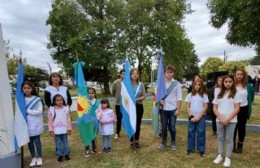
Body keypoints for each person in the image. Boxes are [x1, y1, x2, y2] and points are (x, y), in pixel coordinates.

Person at [212, 75, 241, 167]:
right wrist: (220, 119)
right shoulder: (218, 94)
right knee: (220, 138)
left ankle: (228, 157)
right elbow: (214, 108)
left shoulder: (236, 94)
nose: (228, 83)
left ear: (233, 83)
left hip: (231, 121)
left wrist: (228, 119)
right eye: (226, 82)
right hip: (219, 120)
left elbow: (237, 108)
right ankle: (220, 155)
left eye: (230, 81)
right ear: (223, 83)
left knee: (229, 139)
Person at [159, 65, 182, 151]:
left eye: (170, 72)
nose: (169, 74)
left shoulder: (177, 84)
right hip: (163, 109)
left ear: (173, 73)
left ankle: (173, 142)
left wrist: (178, 109)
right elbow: (158, 95)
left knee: (172, 127)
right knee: (164, 127)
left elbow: (179, 97)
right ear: (165, 73)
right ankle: (164, 142)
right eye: (167, 72)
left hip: (173, 109)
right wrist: (160, 99)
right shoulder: (161, 83)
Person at [22, 81, 44, 167]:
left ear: (32, 89)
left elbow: (39, 111)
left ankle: (40, 157)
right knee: (30, 142)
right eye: (24, 88)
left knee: (37, 141)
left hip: (35, 123)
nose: (26, 90)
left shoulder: (37, 99)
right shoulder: (21, 99)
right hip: (26, 123)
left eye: (28, 88)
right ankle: (33, 157)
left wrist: (27, 111)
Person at [233, 69, 254, 153]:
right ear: (235, 75)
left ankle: (240, 146)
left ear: (244, 75)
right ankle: (232, 145)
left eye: (241, 74)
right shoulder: (232, 85)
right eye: (237, 74)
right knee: (233, 127)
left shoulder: (248, 86)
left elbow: (251, 98)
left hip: (243, 109)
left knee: (241, 128)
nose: (239, 76)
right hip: (233, 109)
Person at [185, 79, 208, 156]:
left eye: (199, 85)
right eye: (196, 84)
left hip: (201, 117)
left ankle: (201, 150)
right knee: (191, 132)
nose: (197, 86)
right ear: (193, 85)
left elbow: (205, 107)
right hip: (192, 117)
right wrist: (191, 116)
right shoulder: (189, 95)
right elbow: (187, 107)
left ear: (201, 86)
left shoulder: (204, 95)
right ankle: (190, 149)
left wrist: (199, 117)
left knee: (201, 133)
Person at [48, 94, 72, 162]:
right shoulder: (52, 109)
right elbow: (50, 120)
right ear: (54, 101)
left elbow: (68, 119)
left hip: (64, 130)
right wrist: (50, 129)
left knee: (65, 142)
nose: (60, 101)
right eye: (57, 100)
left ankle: (66, 154)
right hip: (56, 130)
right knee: (58, 143)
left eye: (61, 100)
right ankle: (60, 155)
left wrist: (69, 128)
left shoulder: (66, 108)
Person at [130, 69, 146, 149]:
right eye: (133, 73)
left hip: (139, 106)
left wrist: (136, 99)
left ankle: (136, 140)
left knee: (137, 124)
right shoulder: (127, 84)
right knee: (131, 124)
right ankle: (131, 141)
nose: (135, 75)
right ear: (130, 75)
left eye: (136, 73)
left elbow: (144, 96)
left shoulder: (141, 84)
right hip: (130, 107)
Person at [84, 87, 102, 158]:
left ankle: (94, 148)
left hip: (95, 121)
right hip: (87, 122)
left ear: (94, 94)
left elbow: (100, 112)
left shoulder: (97, 102)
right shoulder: (85, 102)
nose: (90, 94)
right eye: (89, 93)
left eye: (92, 93)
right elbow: (84, 112)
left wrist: (95, 119)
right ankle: (87, 149)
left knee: (93, 135)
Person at [111, 69, 125, 139]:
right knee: (119, 118)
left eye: (125, 74)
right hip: (118, 104)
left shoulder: (128, 82)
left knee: (126, 118)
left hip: (126, 104)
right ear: (120, 74)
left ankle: (129, 132)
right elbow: (113, 93)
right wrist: (117, 97)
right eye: (123, 74)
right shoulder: (115, 82)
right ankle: (117, 132)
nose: (124, 75)